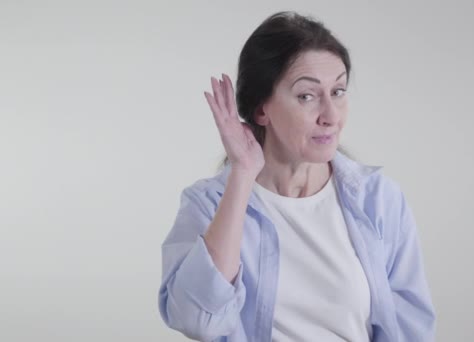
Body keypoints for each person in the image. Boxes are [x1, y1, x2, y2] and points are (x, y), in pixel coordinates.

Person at [158, 11, 436, 342]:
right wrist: (243, 173)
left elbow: (411, 329)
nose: (331, 116)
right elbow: (197, 321)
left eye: (338, 91)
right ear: (262, 109)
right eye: (307, 96)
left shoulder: (378, 199)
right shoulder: (207, 204)